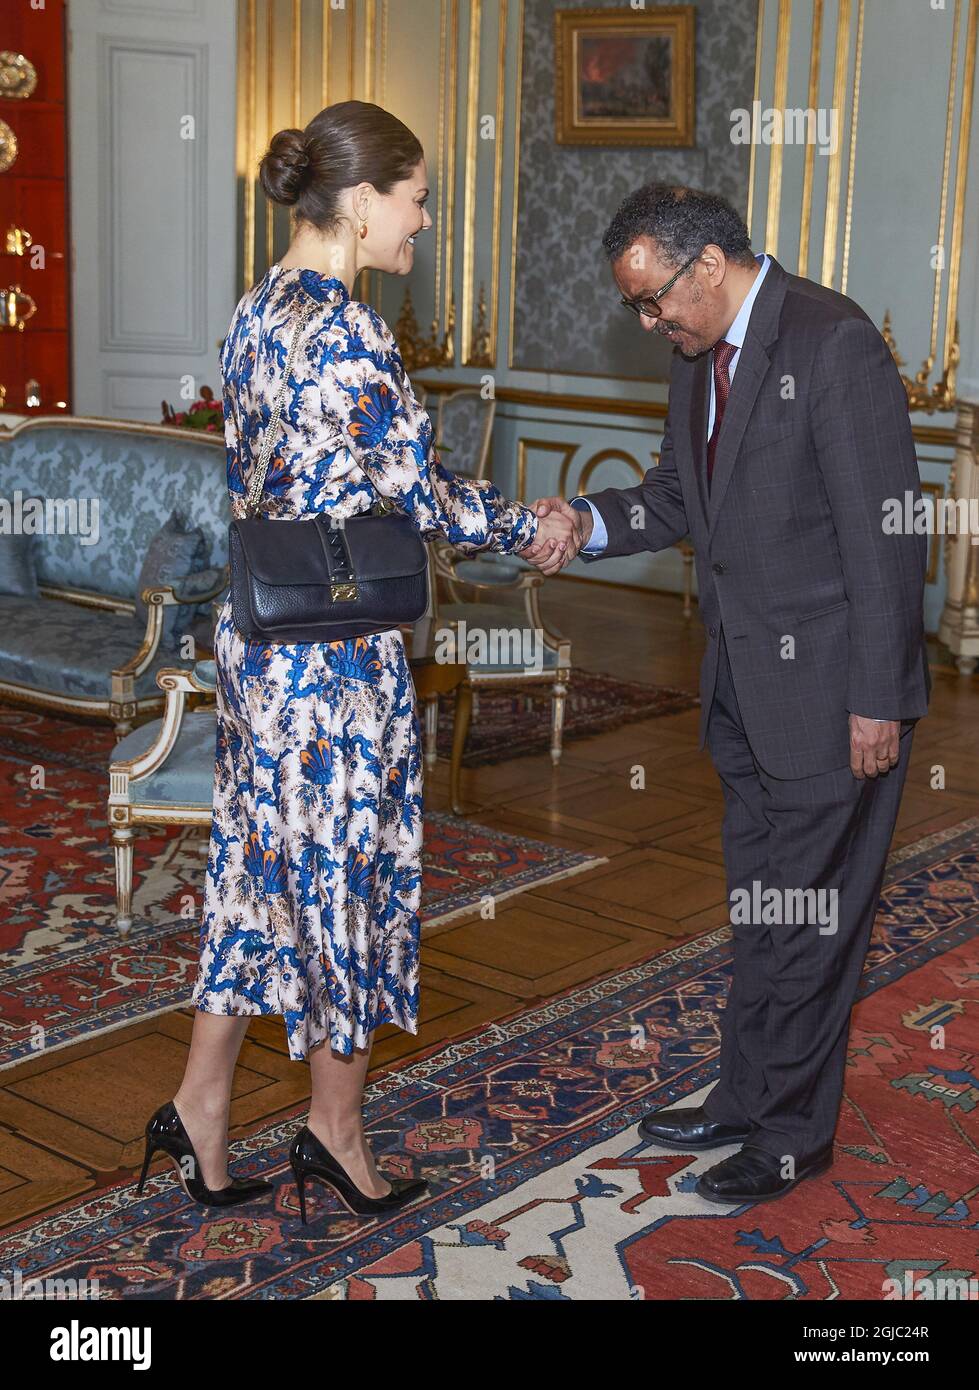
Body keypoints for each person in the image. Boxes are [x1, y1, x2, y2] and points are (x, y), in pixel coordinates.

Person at [138, 100, 575, 1219]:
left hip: (260, 640)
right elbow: (422, 495)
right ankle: (332, 1130)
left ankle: (199, 1107)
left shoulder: (254, 311)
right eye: (418, 198)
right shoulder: (346, 330)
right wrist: (534, 525)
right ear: (364, 198)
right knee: (342, 876)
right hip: (332, 658)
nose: (423, 222)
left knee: (254, 867)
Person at [524, 184, 929, 1204]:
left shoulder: (832, 343)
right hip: (741, 692)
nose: (649, 322)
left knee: (816, 923)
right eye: (638, 310)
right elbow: (674, 495)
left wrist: (877, 697)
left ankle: (792, 1135)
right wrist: (582, 516)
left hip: (836, 697)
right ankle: (743, 1096)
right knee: (762, 909)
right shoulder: (697, 357)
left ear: (707, 265)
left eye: (652, 300)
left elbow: (885, 536)